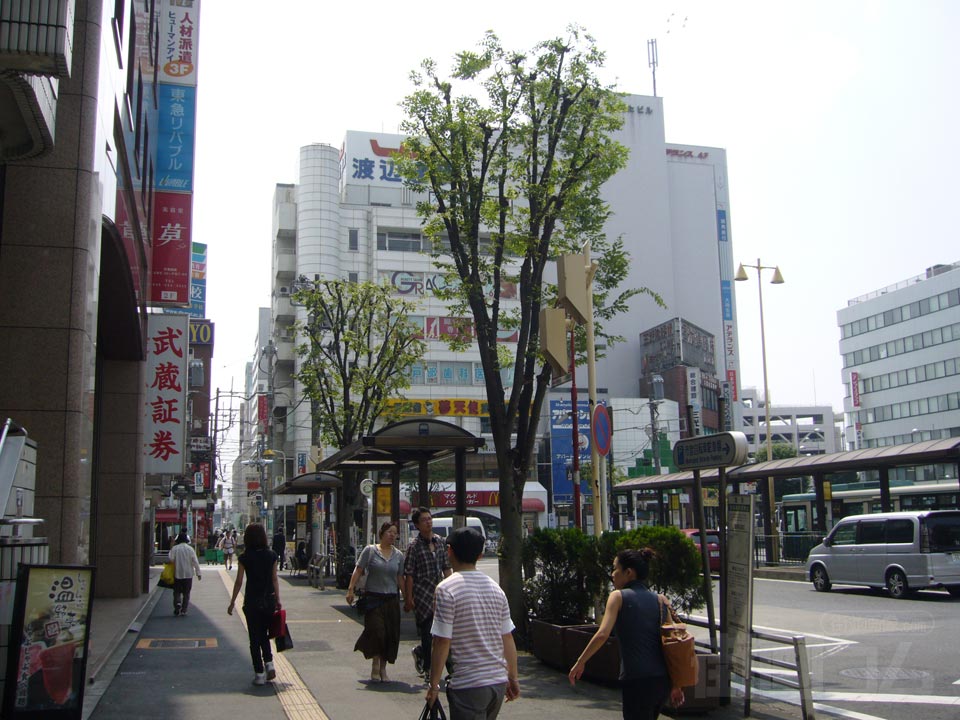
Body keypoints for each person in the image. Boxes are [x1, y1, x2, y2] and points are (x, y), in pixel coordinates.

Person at [568, 548, 685, 720]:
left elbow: (602, 634)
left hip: (637, 679)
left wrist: (580, 662)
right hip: (662, 680)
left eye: (615, 568)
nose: (612, 574)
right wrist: (677, 685)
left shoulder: (618, 597)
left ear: (628, 572)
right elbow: (670, 644)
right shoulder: (660, 600)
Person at [426, 526, 519, 719]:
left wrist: (434, 684)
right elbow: (507, 637)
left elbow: (442, 641)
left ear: (449, 550)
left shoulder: (446, 589)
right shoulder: (496, 589)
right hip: (497, 683)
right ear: (480, 555)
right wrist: (512, 677)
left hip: (468, 684)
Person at [346, 521, 404, 682]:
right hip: (373, 599)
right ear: (382, 533)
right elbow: (358, 570)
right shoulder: (370, 551)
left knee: (389, 635)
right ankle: (375, 664)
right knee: (378, 632)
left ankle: (383, 668)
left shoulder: (398, 555)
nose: (393, 535)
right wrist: (350, 589)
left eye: (395, 532)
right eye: (389, 532)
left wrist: (408, 598)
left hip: (391, 599)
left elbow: (400, 578)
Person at [227, 523, 280, 686]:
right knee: (264, 634)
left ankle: (259, 674)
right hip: (269, 600)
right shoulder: (272, 555)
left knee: (254, 637)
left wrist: (232, 602)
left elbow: (238, 582)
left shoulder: (244, 557)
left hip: (252, 602)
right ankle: (269, 663)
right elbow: (274, 579)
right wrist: (278, 599)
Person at [403, 507, 451, 679]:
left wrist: (453, 588)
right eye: (424, 520)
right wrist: (408, 598)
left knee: (445, 632)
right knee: (428, 633)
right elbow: (409, 574)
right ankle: (430, 670)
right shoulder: (414, 547)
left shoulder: (440, 542)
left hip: (441, 594)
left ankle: (449, 669)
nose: (428, 522)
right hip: (423, 595)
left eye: (429, 518)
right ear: (417, 525)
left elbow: (446, 568)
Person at [168, 532, 202, 616]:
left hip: (177, 573)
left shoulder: (175, 549)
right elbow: (195, 562)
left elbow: (171, 559)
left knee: (176, 592)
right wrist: (198, 573)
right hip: (188, 574)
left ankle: (177, 604)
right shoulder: (190, 549)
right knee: (186, 593)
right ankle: (184, 610)